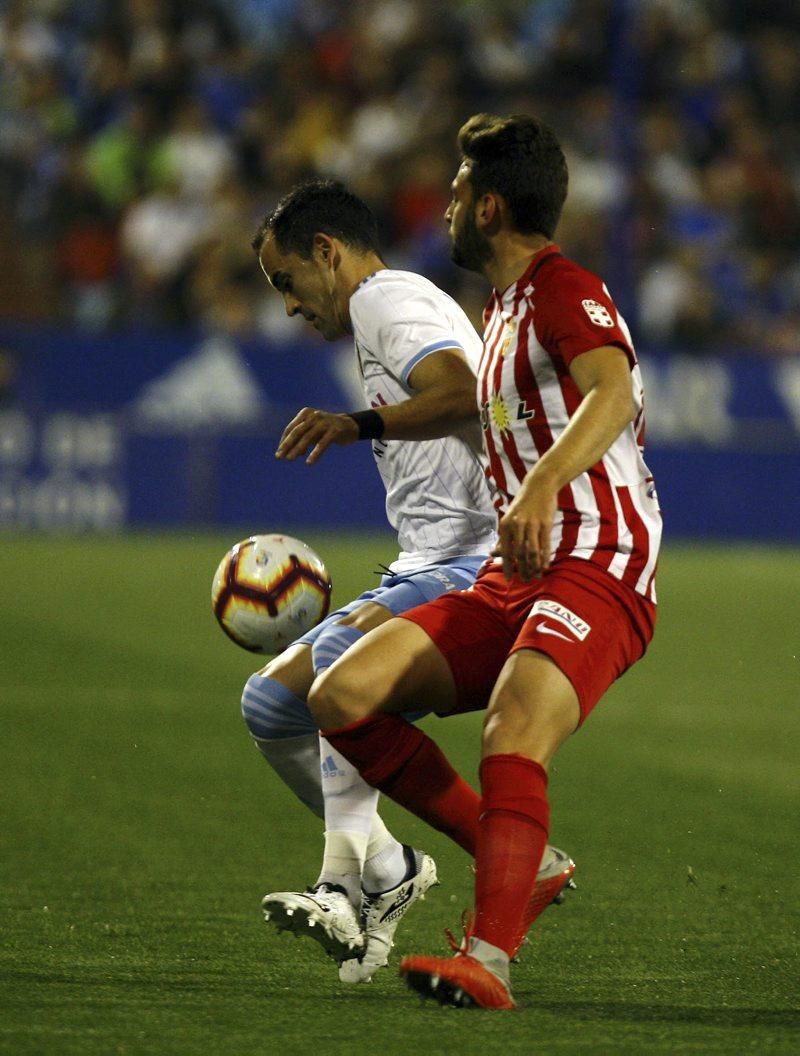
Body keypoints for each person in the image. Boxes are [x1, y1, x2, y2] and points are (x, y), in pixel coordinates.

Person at [305, 114, 662, 1009]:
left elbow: (613, 391)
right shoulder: (498, 313)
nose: (449, 204)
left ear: (489, 205)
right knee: (340, 694)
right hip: (517, 573)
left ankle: (490, 957)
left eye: (460, 190)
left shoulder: (558, 285)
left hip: (598, 559)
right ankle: (523, 860)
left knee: (513, 728)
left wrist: (540, 483)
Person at [244, 178, 576, 985]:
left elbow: (462, 393)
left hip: (466, 559)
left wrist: (357, 425)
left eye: (286, 281)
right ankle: (390, 870)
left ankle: (342, 884)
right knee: (271, 703)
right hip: (431, 557)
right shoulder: (384, 312)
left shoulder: (383, 301)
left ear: (327, 252)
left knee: (333, 678)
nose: (288, 305)